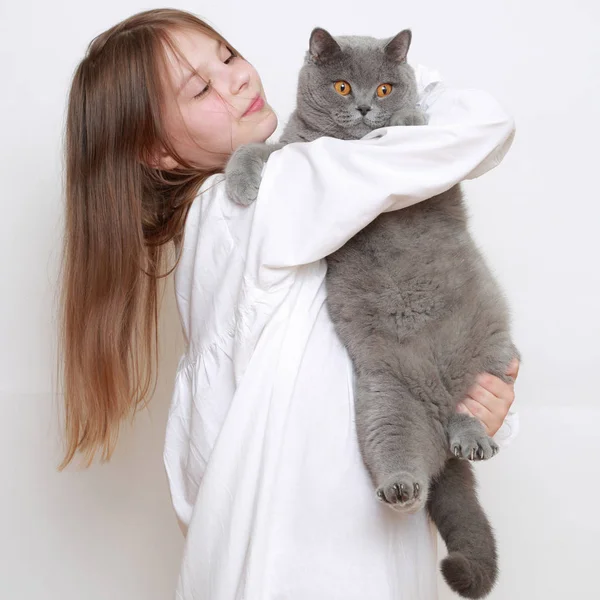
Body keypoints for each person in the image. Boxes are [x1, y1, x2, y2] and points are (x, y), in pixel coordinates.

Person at [57, 8, 520, 600]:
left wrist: (474, 403)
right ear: (157, 150)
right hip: (314, 570)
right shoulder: (257, 201)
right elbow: (482, 125)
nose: (236, 80)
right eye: (200, 87)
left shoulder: (227, 223)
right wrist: (410, 79)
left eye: (226, 56)